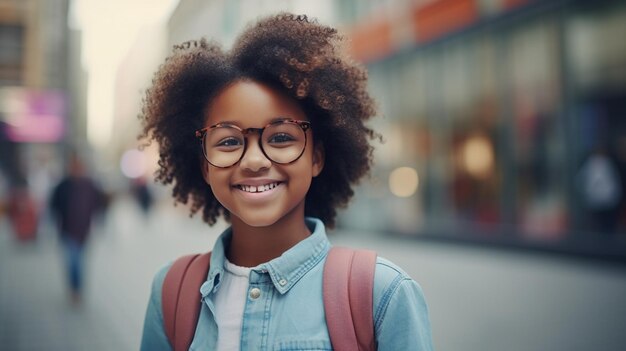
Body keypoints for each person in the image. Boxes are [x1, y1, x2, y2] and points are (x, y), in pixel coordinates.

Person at [139, 13, 434, 350]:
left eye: (280, 138)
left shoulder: (382, 294)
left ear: (317, 158)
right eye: (228, 141)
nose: (253, 160)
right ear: (205, 166)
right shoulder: (171, 292)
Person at [50, 154, 104, 304]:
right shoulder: (63, 185)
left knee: (80, 261)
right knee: (73, 261)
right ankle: (74, 289)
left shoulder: (90, 185)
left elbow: (99, 204)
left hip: (84, 231)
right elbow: (54, 206)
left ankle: (77, 289)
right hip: (67, 231)